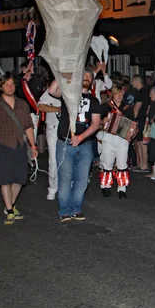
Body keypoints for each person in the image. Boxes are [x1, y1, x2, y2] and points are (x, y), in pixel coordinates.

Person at [49, 68, 101, 222]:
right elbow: (52, 90)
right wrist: (63, 73)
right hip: (65, 143)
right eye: (84, 74)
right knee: (65, 178)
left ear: (92, 81)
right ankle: (64, 210)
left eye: (90, 76)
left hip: (85, 145)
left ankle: (76, 208)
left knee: (82, 179)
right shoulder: (68, 94)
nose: (86, 77)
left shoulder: (94, 101)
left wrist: (80, 137)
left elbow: (96, 123)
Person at [0, 73, 37, 224]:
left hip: (20, 145)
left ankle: (11, 204)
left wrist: (33, 145)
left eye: (12, 84)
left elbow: (28, 126)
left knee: (20, 179)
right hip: (3, 145)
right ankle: (9, 210)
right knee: (5, 179)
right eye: (7, 84)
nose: (10, 87)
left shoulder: (22, 104)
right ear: (0, 87)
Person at [98, 85, 135, 199]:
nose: (119, 96)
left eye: (121, 94)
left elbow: (131, 124)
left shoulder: (127, 108)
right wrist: (103, 121)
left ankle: (122, 188)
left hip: (122, 140)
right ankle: (105, 186)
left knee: (122, 164)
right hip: (108, 139)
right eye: (117, 93)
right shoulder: (105, 107)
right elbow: (96, 122)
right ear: (112, 94)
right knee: (107, 163)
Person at [38, 88, 62, 200]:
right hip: (53, 129)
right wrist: (57, 109)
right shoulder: (51, 91)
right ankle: (53, 188)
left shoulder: (73, 89)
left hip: (67, 130)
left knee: (68, 158)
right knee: (53, 160)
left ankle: (68, 184)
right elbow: (40, 106)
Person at [131, 75, 150, 172]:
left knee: (142, 143)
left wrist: (132, 121)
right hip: (143, 119)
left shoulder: (140, 93)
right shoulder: (144, 91)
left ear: (137, 81)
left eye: (133, 80)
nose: (132, 83)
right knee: (139, 142)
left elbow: (136, 109)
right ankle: (141, 163)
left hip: (140, 120)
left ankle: (144, 165)